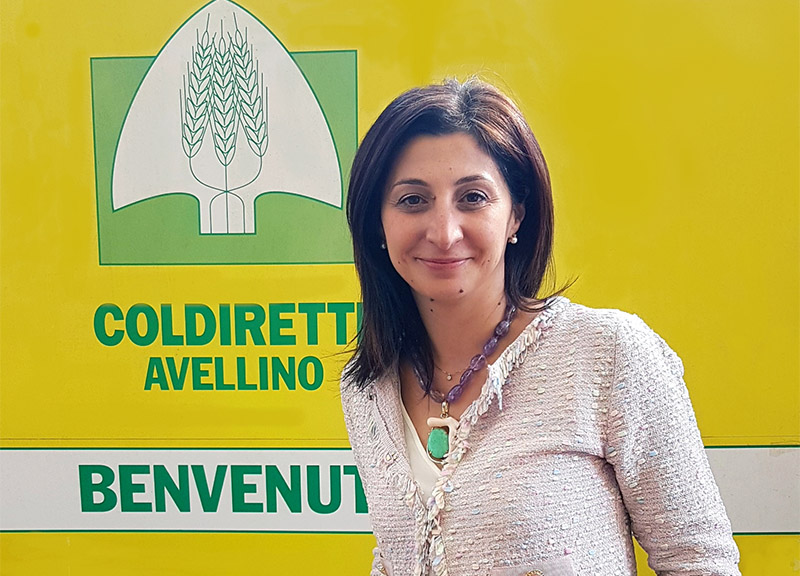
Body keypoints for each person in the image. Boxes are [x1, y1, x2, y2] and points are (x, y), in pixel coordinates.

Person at [340, 78, 740, 576]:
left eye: (473, 197)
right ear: (377, 223)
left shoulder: (608, 355)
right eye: (412, 200)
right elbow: (399, 552)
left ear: (516, 217)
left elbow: (698, 561)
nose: (444, 232)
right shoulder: (367, 388)